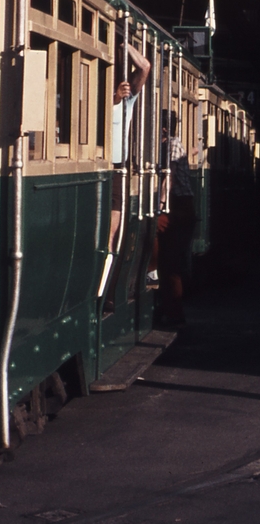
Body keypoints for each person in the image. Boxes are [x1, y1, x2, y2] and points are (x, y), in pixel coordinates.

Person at [109, 41, 151, 252]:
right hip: (102, 161)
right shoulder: (104, 99)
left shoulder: (129, 100)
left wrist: (125, 46)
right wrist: (115, 97)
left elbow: (145, 66)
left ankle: (110, 244)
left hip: (118, 162)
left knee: (116, 203)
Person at [156, 110, 197, 326]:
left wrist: (161, 207)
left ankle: (174, 314)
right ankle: (169, 309)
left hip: (179, 207)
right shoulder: (169, 144)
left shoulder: (171, 143)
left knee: (170, 261)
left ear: (163, 129)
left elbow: (168, 177)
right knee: (167, 260)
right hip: (177, 206)